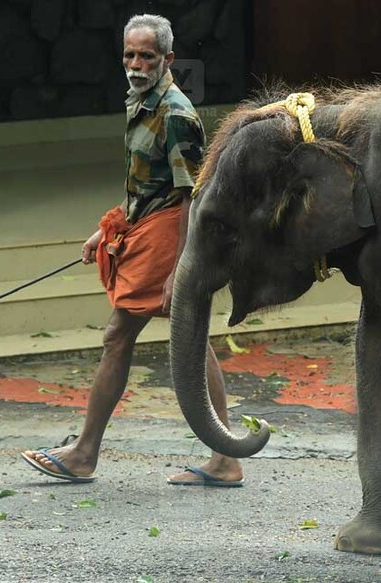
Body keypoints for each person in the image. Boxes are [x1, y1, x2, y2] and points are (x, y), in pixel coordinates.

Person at [21, 14, 244, 488]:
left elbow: (190, 196)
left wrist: (182, 268)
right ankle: (224, 459)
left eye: (146, 55)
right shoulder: (140, 101)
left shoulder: (176, 115)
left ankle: (84, 453)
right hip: (144, 226)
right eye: (129, 54)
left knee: (119, 335)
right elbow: (145, 182)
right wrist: (105, 230)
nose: (136, 64)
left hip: (168, 237)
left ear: (168, 59)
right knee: (191, 337)